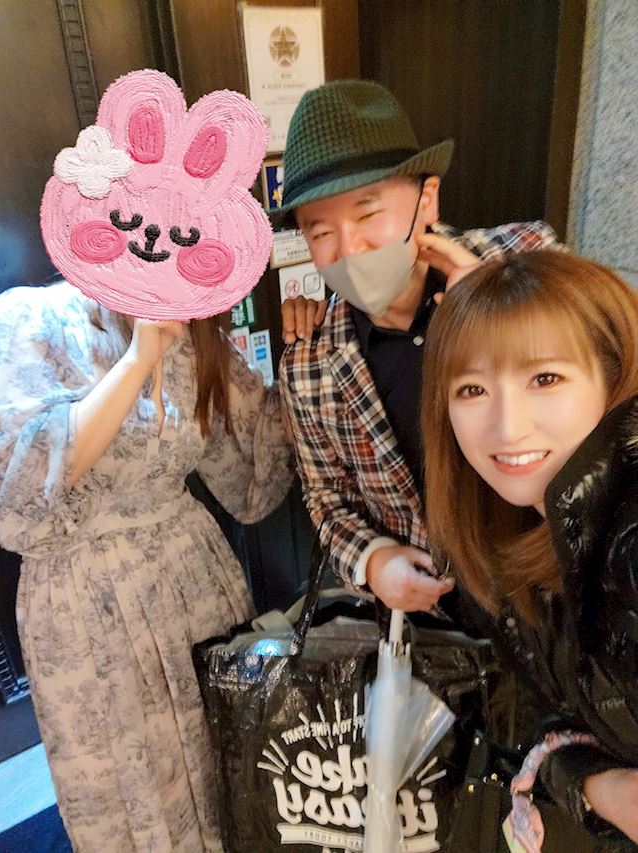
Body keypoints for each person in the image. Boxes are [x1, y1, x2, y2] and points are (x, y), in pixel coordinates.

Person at [0, 280, 294, 851]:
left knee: (230, 770)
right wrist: (137, 359)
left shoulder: (193, 332)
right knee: (132, 793)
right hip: (87, 612)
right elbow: (21, 499)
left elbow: (248, 468)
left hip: (195, 583)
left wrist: (310, 350)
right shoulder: (29, 320)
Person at [275, 79, 562, 613]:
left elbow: (603, 402)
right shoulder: (310, 363)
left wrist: (493, 309)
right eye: (320, 232)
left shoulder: (531, 263)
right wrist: (373, 562)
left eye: (368, 214)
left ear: (426, 200)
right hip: (433, 613)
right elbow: (325, 496)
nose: (350, 249)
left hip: (554, 582)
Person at [422, 249, 638, 847]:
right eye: (472, 389)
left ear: (614, 375)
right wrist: (601, 788)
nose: (508, 426)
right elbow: (551, 718)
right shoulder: (504, 536)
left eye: (545, 379)